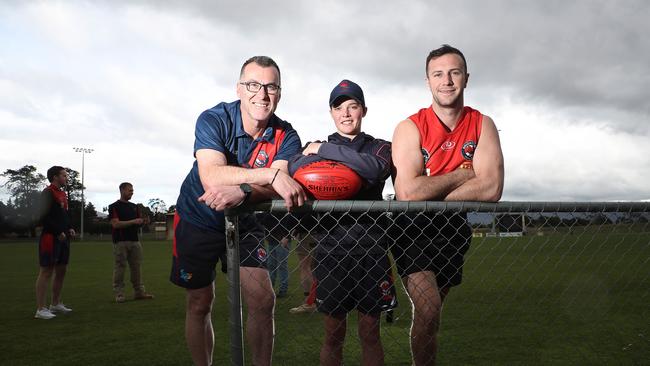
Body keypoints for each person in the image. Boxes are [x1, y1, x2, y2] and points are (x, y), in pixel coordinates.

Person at [170, 55, 307, 366]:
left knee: (263, 299)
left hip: (245, 220)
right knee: (199, 302)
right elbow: (212, 176)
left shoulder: (286, 134)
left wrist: (244, 189)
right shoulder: (214, 118)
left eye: (271, 87)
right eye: (253, 85)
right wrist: (269, 174)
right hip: (199, 218)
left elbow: (280, 186)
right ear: (239, 88)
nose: (262, 94)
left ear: (280, 93)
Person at [391, 44, 504, 365]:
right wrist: (463, 173)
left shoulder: (482, 124)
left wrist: (432, 188)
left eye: (454, 73)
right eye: (438, 74)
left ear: (466, 78)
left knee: (432, 317)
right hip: (412, 228)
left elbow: (492, 187)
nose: (447, 81)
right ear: (428, 81)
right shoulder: (409, 127)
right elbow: (409, 194)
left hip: (454, 228)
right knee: (428, 309)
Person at [288, 79, 397, 366]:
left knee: (370, 332)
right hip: (330, 250)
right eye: (339, 108)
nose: (346, 113)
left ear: (364, 110)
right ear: (331, 113)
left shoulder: (380, 146)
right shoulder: (307, 148)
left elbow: (374, 170)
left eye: (353, 106)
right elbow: (297, 169)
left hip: (371, 250)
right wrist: (344, 164)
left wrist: (325, 153)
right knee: (333, 334)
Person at [34, 166, 75, 319]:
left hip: (64, 239)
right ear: (55, 177)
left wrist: (70, 227)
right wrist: (58, 232)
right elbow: (44, 217)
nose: (66, 178)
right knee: (46, 272)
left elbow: (64, 214)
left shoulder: (63, 193)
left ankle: (55, 304)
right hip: (51, 238)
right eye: (64, 175)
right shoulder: (47, 193)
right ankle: (40, 309)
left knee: (61, 270)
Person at [108, 182, 154, 303]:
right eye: (130, 190)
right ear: (122, 190)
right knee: (120, 267)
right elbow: (115, 224)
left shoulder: (134, 207)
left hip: (135, 241)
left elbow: (137, 225)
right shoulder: (114, 206)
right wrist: (134, 221)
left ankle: (139, 292)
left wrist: (144, 222)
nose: (132, 192)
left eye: (132, 190)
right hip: (120, 242)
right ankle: (119, 294)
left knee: (136, 268)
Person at [288, 228, 317, 313]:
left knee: (305, 267)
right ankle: (314, 300)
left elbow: (303, 219)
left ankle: (310, 302)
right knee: (312, 268)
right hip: (316, 234)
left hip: (307, 234)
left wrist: (288, 235)